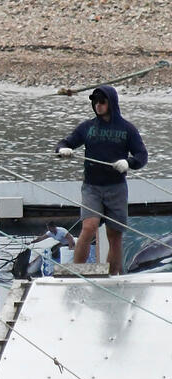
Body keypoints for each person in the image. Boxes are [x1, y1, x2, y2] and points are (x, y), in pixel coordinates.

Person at [56, 85, 147, 275]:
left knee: (114, 236)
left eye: (102, 101)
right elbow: (65, 142)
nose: (98, 105)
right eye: (95, 101)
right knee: (88, 227)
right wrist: (62, 150)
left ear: (111, 103)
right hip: (92, 188)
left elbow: (141, 155)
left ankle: (114, 276)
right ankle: (77, 273)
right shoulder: (87, 127)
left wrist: (128, 163)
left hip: (117, 188)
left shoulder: (127, 129)